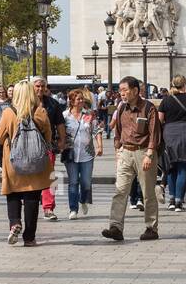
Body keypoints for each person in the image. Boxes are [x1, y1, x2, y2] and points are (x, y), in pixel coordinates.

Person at [102, 76, 161, 242]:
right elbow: (118, 131)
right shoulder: (121, 108)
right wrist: (117, 150)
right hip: (125, 152)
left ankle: (151, 228)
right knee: (120, 191)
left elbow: (154, 133)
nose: (121, 93)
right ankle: (115, 227)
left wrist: (150, 153)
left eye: (124, 90)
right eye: (120, 90)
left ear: (135, 91)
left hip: (144, 153)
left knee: (148, 193)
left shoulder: (148, 108)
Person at [0, 80, 52, 246]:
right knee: (32, 198)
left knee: (12, 193)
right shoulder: (40, 112)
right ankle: (29, 238)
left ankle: (14, 223)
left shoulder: (8, 113)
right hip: (35, 163)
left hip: (14, 162)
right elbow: (48, 138)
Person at [158, 74, 186, 212]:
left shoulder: (166, 100)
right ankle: (178, 202)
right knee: (184, 167)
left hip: (170, 134)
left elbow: (160, 121)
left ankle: (171, 200)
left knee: (171, 168)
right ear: (184, 84)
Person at [63, 89, 102, 219]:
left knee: (86, 182)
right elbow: (60, 133)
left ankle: (84, 200)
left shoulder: (89, 114)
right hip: (71, 153)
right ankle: (73, 209)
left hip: (87, 153)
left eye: (82, 99)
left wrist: (100, 146)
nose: (81, 101)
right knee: (73, 182)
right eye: (78, 99)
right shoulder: (65, 116)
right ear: (72, 101)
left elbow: (96, 130)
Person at [32, 77, 67, 221]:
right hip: (29, 145)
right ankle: (31, 204)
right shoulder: (26, 102)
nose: (40, 89)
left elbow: (60, 124)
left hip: (47, 144)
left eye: (43, 86)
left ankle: (48, 207)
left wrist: (62, 140)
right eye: (37, 86)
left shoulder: (53, 104)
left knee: (50, 177)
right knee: (31, 176)